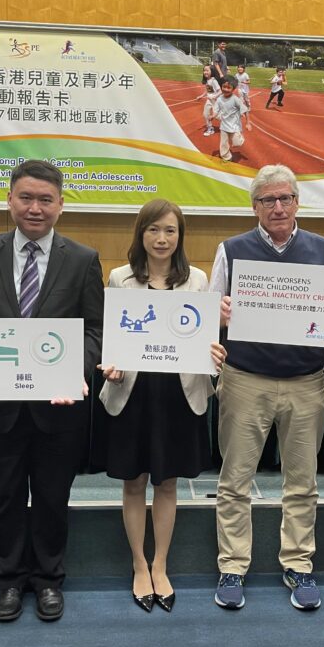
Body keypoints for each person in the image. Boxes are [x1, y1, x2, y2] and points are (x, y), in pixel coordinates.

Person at [0, 159, 103, 624]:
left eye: (45, 200)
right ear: (10, 200)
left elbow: (95, 331)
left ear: (61, 205)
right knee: (5, 498)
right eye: (26, 197)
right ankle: (11, 581)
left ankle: (48, 581)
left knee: (53, 497)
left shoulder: (83, 259)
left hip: (59, 407)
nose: (34, 208)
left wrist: (75, 372)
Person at [209, 164, 324, 612]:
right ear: (255, 206)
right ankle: (232, 565)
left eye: (286, 198)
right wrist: (220, 315)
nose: (278, 207)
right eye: (268, 200)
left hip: (307, 382)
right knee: (235, 481)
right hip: (246, 379)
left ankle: (298, 564)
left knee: (302, 483)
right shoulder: (231, 250)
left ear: (297, 202)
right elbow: (208, 314)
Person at [97, 199, 226, 613]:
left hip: (178, 394)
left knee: (167, 482)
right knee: (133, 481)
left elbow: (203, 339)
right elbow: (110, 339)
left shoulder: (197, 281)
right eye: (153, 229)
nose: (162, 238)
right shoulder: (119, 279)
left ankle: (160, 565)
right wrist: (110, 364)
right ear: (141, 234)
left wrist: (214, 354)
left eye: (170, 230)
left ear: (180, 236)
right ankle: (138, 564)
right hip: (132, 393)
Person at [214, 78, 249, 162]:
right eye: (224, 87)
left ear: (233, 89)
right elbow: (216, 110)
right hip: (224, 125)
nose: (226, 89)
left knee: (237, 143)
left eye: (228, 87)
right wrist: (213, 115)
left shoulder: (235, 99)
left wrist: (248, 123)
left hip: (234, 126)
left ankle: (240, 139)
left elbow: (245, 110)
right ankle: (227, 157)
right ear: (221, 86)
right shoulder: (219, 99)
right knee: (223, 143)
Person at [197, 64, 222, 136]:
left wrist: (214, 96)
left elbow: (220, 91)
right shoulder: (207, 80)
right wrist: (201, 96)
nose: (205, 72)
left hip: (215, 101)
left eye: (207, 70)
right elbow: (208, 91)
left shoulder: (214, 81)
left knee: (217, 116)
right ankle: (210, 128)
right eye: (204, 70)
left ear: (212, 71)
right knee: (205, 114)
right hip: (209, 100)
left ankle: (228, 123)